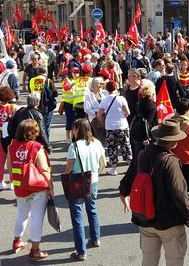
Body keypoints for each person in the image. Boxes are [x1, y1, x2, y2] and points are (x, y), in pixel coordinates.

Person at [118, 119, 189, 266]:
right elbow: (180, 194)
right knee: (174, 260)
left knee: (148, 260)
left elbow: (126, 182)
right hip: (169, 222)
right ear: (174, 142)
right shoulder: (170, 161)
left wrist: (124, 194)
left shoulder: (141, 154)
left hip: (145, 218)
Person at [8, 119, 53, 261]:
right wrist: (50, 186)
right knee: (37, 217)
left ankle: (17, 242)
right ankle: (35, 250)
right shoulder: (36, 147)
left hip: (20, 186)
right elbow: (44, 170)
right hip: (36, 187)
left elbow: (9, 168)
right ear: (33, 132)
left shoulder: (11, 147)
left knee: (22, 214)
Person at [65, 119, 106, 261]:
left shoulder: (74, 147)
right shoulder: (97, 143)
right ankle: (96, 239)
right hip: (92, 181)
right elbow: (103, 163)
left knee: (77, 217)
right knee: (92, 209)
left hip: (77, 182)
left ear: (78, 130)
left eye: (73, 129)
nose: (72, 131)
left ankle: (81, 251)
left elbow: (68, 168)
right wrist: (96, 173)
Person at [98, 81, 131, 176]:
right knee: (126, 146)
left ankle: (113, 168)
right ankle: (130, 166)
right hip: (122, 126)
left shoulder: (104, 100)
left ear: (107, 89)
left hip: (110, 127)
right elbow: (127, 112)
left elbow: (99, 115)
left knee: (112, 147)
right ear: (115, 88)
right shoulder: (121, 99)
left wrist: (104, 121)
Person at [131, 85, 158, 156]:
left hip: (137, 132)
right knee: (149, 156)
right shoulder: (152, 106)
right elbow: (150, 121)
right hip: (148, 134)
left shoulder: (138, 104)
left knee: (138, 155)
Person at [84, 77, 108, 143]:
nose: (100, 85)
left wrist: (105, 84)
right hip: (94, 119)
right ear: (93, 85)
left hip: (104, 118)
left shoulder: (103, 93)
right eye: (98, 84)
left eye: (101, 84)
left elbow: (112, 92)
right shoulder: (89, 96)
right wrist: (96, 113)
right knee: (99, 136)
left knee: (104, 135)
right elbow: (87, 109)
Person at [61, 67, 80, 141]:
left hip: (76, 103)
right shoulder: (66, 80)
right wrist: (73, 83)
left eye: (77, 72)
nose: (76, 74)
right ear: (70, 73)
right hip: (68, 103)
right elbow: (66, 87)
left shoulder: (79, 80)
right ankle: (67, 137)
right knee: (69, 120)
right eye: (74, 72)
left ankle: (73, 136)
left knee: (75, 120)